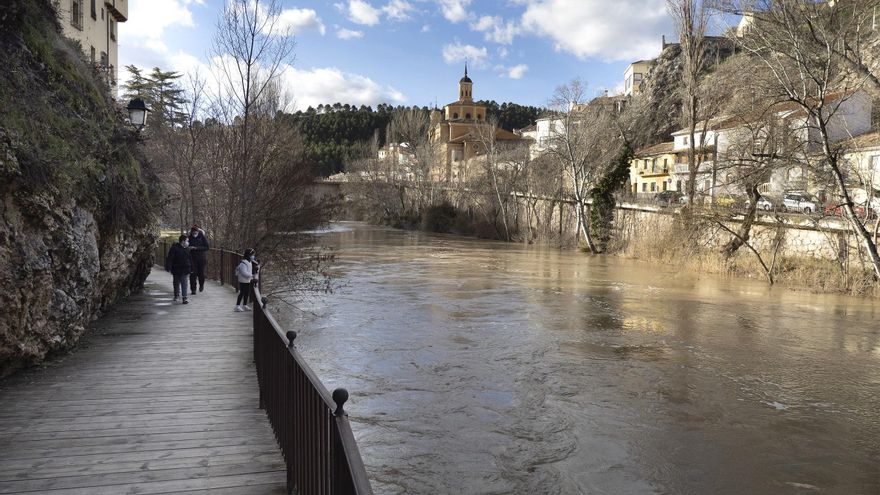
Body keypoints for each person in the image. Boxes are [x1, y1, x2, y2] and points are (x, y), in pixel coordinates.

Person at [165, 235, 192, 304]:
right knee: (176, 282)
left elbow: (190, 259)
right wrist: (168, 267)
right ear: (183, 241)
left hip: (185, 269)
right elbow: (170, 258)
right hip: (176, 268)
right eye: (187, 241)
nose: (188, 242)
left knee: (184, 283)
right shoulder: (174, 248)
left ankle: (184, 297)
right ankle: (176, 295)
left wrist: (192, 268)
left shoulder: (187, 249)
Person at [188, 224, 210, 295]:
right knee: (193, 274)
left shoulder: (202, 237)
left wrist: (196, 248)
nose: (194, 233)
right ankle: (193, 289)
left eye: (195, 232)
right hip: (192, 259)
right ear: (191, 232)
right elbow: (185, 246)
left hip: (201, 258)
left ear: (198, 231)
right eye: (193, 232)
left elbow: (207, 247)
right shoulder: (189, 238)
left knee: (201, 274)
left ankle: (201, 284)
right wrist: (189, 248)